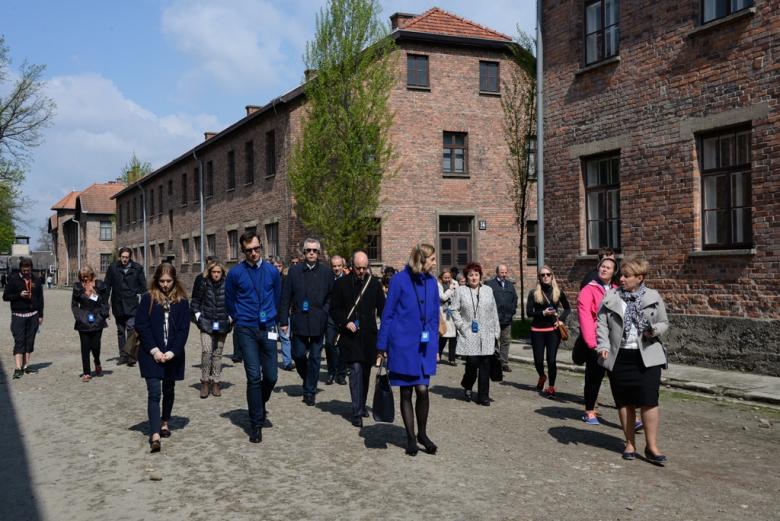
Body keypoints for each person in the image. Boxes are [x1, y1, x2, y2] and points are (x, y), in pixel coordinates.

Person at [597, 257, 669, 465]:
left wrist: (654, 330)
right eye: (621, 275)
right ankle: (629, 443)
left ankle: (652, 446)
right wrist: (602, 346)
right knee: (624, 401)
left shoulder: (653, 296)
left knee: (649, 401)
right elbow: (601, 324)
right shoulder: (611, 297)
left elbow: (664, 322)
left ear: (640, 278)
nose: (622, 279)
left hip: (647, 356)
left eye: (627, 276)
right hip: (619, 357)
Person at [376, 244, 439, 456]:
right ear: (421, 260)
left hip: (423, 346)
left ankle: (423, 433)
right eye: (432, 259)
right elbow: (388, 314)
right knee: (406, 391)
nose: (435, 263)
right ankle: (411, 437)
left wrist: (434, 347)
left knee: (422, 390)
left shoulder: (432, 282)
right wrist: (381, 345)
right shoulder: (399, 281)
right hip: (402, 345)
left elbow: (434, 317)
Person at [225, 231, 281, 443]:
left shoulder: (271, 271)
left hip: (268, 327)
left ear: (261, 248)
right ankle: (256, 423)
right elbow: (229, 300)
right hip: (246, 328)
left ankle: (259, 402)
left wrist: (273, 315)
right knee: (253, 376)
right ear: (243, 251)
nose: (254, 253)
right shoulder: (235, 273)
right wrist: (239, 317)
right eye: (249, 250)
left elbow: (277, 295)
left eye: (257, 249)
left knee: (272, 376)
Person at [134, 263, 190, 453]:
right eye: (162, 281)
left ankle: (165, 421)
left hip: (173, 354)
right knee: (154, 392)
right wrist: (154, 350)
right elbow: (142, 326)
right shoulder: (148, 299)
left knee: (169, 388)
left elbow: (183, 330)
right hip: (151, 354)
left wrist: (173, 351)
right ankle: (155, 433)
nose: (165, 285)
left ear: (174, 281)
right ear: (156, 280)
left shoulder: (182, 302)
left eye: (168, 281)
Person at [330, 251, 385, 428]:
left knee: (366, 373)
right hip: (350, 337)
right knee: (355, 370)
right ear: (352, 266)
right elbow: (334, 309)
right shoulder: (341, 284)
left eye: (364, 267)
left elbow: (383, 310)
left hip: (369, 336)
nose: (361, 271)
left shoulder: (374, 284)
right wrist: (346, 322)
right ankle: (356, 411)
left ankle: (361, 404)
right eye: (358, 268)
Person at [279, 238, 333, 406]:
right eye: (308, 250)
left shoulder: (326, 272)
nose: (311, 253)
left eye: (314, 250)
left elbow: (331, 297)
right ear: (304, 252)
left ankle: (309, 391)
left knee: (316, 357)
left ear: (318, 253)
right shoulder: (294, 272)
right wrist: (283, 321)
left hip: (318, 320)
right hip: (299, 320)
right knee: (298, 354)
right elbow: (285, 297)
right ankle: (309, 377)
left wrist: (325, 313)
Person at [452, 263, 501, 406]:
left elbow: (494, 312)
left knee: (485, 364)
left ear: (480, 276)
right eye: (471, 275)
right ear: (466, 277)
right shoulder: (460, 291)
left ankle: (483, 396)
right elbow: (453, 310)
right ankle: (467, 384)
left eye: (476, 275)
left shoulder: (488, 290)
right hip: (469, 333)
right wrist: (460, 326)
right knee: (472, 363)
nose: (474, 278)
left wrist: (496, 332)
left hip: (487, 333)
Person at [577, 257, 618, 424]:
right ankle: (590, 411)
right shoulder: (588, 290)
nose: (604, 269)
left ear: (614, 272)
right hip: (596, 341)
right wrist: (592, 343)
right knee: (594, 377)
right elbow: (585, 317)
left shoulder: (617, 290)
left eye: (608, 267)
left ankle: (629, 414)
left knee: (618, 379)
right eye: (602, 266)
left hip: (614, 342)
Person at [526, 265, 571, 397]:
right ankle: (542, 376)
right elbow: (529, 313)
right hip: (537, 330)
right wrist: (543, 313)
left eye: (548, 274)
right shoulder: (533, 293)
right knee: (538, 360)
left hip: (553, 330)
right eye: (542, 275)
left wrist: (561, 319)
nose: (545, 277)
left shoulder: (558, 292)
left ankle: (551, 387)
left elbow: (567, 308)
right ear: (539, 278)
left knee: (551, 360)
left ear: (552, 276)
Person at [190, 259, 231, 398]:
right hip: (206, 321)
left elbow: (235, 301)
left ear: (222, 272)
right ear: (209, 272)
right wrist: (198, 317)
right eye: (213, 272)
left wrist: (230, 318)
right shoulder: (203, 282)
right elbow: (195, 301)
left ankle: (216, 382)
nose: (216, 274)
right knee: (207, 351)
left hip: (222, 322)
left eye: (218, 272)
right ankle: (205, 381)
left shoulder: (228, 283)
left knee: (217, 354)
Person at [104, 247, 147, 366]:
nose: (124, 260)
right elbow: (107, 286)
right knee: (120, 331)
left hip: (132, 304)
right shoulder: (113, 268)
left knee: (131, 328)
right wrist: (105, 304)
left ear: (130, 257)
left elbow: (143, 288)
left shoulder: (137, 268)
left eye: (127, 257)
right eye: (123, 257)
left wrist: (145, 304)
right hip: (117, 304)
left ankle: (131, 355)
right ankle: (123, 355)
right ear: (119, 257)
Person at [3, 258, 44, 379]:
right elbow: (5, 297)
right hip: (18, 316)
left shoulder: (36, 280)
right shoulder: (13, 280)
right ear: (20, 269)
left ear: (31, 268)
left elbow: (40, 298)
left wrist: (41, 315)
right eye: (24, 270)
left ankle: (26, 366)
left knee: (30, 341)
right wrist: (18, 295)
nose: (26, 272)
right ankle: (17, 367)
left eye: (28, 270)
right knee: (19, 340)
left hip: (33, 315)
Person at [71, 266, 110, 382]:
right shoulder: (78, 287)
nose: (84, 280)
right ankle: (86, 372)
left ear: (91, 275)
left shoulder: (99, 285)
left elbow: (104, 302)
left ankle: (97, 361)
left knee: (95, 345)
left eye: (86, 277)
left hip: (97, 319)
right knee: (85, 347)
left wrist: (94, 294)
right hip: (83, 320)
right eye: (82, 277)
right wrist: (79, 316)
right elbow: (74, 305)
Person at [485, 264, 518, 372]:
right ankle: (494, 361)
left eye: (505, 272)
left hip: (507, 318)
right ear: (497, 272)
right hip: (493, 319)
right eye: (501, 272)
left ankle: (504, 363)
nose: (504, 275)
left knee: (505, 341)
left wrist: (512, 311)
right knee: (493, 341)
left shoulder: (509, 285)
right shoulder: (490, 284)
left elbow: (515, 298)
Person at [324, 255, 347, 385]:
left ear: (343, 266)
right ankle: (331, 372)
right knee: (329, 344)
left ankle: (341, 374)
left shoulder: (348, 280)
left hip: (344, 318)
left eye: (339, 266)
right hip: (330, 317)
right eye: (334, 266)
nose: (337, 268)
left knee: (343, 346)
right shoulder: (327, 279)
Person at [272, 257, 294, 371]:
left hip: (283, 314)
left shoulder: (286, 280)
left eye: (279, 266)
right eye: (275, 266)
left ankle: (287, 362)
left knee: (285, 338)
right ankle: (271, 362)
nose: (277, 268)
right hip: (270, 315)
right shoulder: (268, 279)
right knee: (271, 339)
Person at [436, 270, 457, 365]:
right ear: (441, 277)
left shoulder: (454, 283)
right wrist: (450, 290)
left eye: (449, 277)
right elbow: (443, 297)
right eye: (445, 277)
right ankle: (438, 355)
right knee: (443, 336)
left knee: (453, 337)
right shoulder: (439, 285)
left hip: (452, 312)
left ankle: (452, 359)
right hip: (443, 313)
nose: (448, 279)